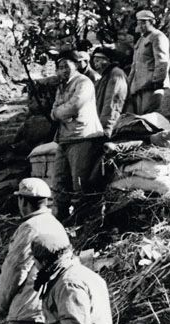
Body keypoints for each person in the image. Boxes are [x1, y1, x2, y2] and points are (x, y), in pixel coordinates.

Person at [0, 178, 68, 324]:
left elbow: (15, 270)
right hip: (51, 310)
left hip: (26, 311)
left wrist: (2, 303)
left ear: (23, 201)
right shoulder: (56, 225)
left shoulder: (30, 227)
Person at [50, 51, 104, 220]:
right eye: (60, 67)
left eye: (66, 66)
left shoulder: (83, 82)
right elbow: (54, 109)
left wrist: (58, 113)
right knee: (59, 181)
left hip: (82, 136)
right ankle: (61, 218)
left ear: (76, 65)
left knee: (80, 182)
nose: (63, 70)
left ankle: (83, 221)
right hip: (65, 137)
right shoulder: (62, 86)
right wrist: (58, 113)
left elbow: (74, 106)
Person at [126, 9, 170, 115]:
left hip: (151, 85)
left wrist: (157, 81)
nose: (141, 26)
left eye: (144, 22)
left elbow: (162, 61)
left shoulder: (157, 36)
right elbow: (134, 65)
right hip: (139, 86)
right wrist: (129, 84)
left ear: (151, 22)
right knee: (140, 117)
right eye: (139, 23)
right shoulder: (141, 40)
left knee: (150, 116)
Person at [92, 47, 128, 137]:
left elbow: (113, 103)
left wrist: (106, 127)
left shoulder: (116, 74)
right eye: (94, 62)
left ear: (107, 60)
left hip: (114, 127)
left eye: (98, 61)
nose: (96, 65)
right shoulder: (104, 77)